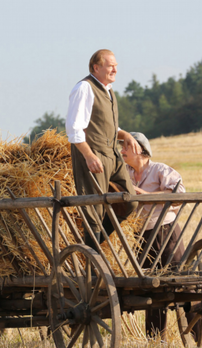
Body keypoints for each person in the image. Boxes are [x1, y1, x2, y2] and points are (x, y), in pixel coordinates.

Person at [66, 49, 139, 248]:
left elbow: (106, 125)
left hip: (112, 154)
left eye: (116, 65)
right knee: (93, 210)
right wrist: (88, 155)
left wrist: (125, 135)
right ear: (96, 67)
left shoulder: (108, 90)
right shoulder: (84, 88)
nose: (115, 69)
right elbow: (74, 128)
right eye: (110, 65)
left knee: (130, 201)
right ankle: (93, 257)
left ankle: (94, 245)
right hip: (94, 154)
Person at [120, 132, 186, 340]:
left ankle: (201, 338)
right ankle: (156, 340)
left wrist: (145, 196)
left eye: (126, 148)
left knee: (182, 283)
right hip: (140, 237)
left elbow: (178, 197)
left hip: (166, 232)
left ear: (139, 149)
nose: (122, 151)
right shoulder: (125, 174)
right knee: (151, 286)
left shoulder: (160, 170)